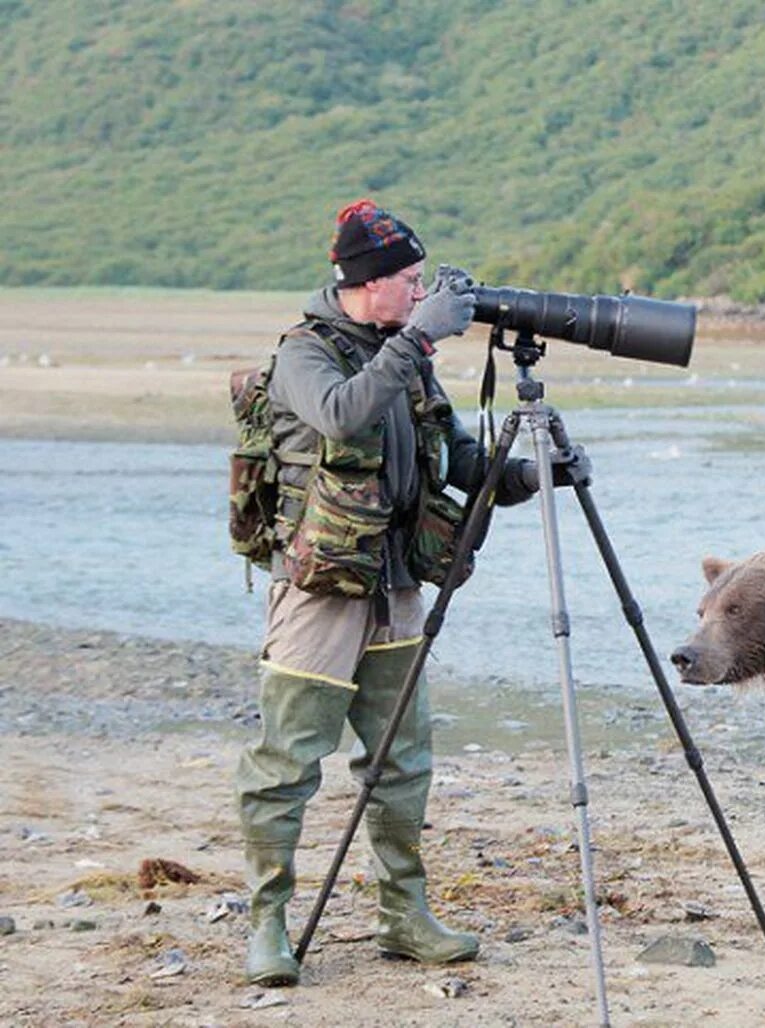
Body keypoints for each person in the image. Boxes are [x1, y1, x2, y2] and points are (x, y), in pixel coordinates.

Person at [234, 199, 576, 987]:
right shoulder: (304, 354)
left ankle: (403, 914)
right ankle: (267, 924)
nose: (423, 296)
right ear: (368, 284)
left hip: (396, 587)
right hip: (318, 596)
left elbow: (456, 458)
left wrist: (531, 475)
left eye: (426, 284)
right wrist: (422, 334)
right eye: (412, 283)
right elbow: (340, 414)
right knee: (286, 763)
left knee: (402, 761)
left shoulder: (405, 353)